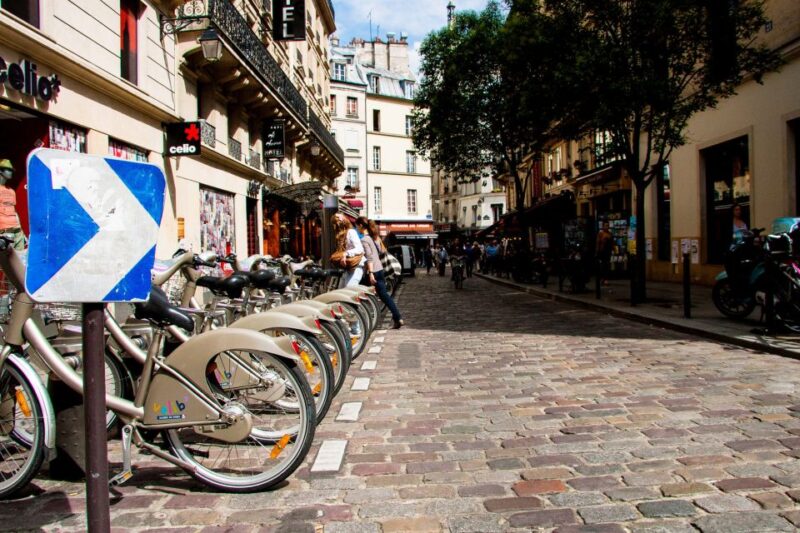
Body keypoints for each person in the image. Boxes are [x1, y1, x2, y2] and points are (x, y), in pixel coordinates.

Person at [355, 217, 404, 329]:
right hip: (380, 269)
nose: (356, 228)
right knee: (385, 296)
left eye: (357, 226)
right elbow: (382, 251)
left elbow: (369, 257)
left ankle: (362, 320)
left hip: (373, 271)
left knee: (359, 293)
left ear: (361, 226)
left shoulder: (364, 240)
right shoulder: (375, 237)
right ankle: (397, 317)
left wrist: (371, 273)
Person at [331, 213, 365, 288]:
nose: (337, 225)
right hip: (347, 268)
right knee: (341, 292)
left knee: (348, 292)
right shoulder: (341, 235)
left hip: (356, 267)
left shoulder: (351, 232)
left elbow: (360, 249)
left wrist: (346, 254)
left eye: (338, 222)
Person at [0, 160, 24, 250]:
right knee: (4, 261)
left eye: (11, 170)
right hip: (4, 231)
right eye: (8, 170)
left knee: (19, 260)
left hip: (17, 230)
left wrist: (21, 230)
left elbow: (13, 210)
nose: (11, 173)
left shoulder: (11, 191)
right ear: (0, 171)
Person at [596, 221, 613, 286]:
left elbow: (612, 242)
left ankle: (605, 278)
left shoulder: (610, 234)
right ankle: (603, 278)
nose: (607, 227)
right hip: (602, 251)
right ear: (603, 226)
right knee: (603, 266)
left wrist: (613, 249)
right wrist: (597, 251)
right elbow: (598, 243)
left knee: (607, 265)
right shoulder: (600, 233)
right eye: (605, 225)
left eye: (607, 225)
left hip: (608, 252)